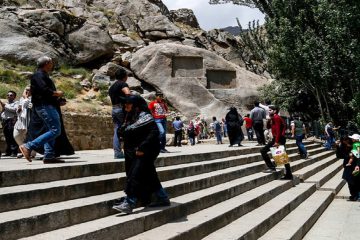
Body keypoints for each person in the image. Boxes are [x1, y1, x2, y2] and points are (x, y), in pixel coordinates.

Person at [112, 95, 170, 214]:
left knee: (135, 174)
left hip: (146, 150)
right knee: (149, 174)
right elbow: (124, 131)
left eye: (128, 103)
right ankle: (162, 197)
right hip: (134, 151)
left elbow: (154, 133)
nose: (125, 105)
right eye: (125, 104)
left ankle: (130, 202)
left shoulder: (145, 116)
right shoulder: (129, 116)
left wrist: (142, 147)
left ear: (136, 105)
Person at [18, 56, 65, 163]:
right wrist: (56, 93)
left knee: (50, 130)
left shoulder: (42, 75)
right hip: (45, 106)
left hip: (46, 105)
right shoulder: (38, 75)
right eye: (51, 62)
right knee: (55, 130)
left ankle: (49, 155)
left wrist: (58, 100)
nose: (52, 64)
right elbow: (43, 90)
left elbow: (42, 92)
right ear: (47, 63)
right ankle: (28, 146)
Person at [261, 105, 293, 180]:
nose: (268, 111)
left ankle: (272, 167)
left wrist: (276, 141)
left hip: (278, 139)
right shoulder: (273, 118)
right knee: (283, 157)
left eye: (270, 110)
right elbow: (268, 127)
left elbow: (278, 130)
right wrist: (268, 121)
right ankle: (288, 174)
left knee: (263, 151)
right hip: (278, 138)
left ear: (275, 111)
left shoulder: (276, 117)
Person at [108, 68, 131, 159]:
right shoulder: (123, 84)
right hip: (122, 109)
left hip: (114, 109)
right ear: (124, 76)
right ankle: (129, 151)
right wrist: (129, 104)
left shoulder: (112, 87)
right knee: (128, 128)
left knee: (117, 130)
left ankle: (117, 153)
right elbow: (128, 93)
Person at [13, 86, 36, 158]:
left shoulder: (34, 99)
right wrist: (18, 108)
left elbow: (32, 107)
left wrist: (26, 99)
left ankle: (31, 153)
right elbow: (18, 108)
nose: (27, 91)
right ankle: (25, 150)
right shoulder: (21, 99)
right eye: (26, 90)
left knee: (29, 138)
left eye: (29, 90)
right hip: (20, 121)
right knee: (16, 135)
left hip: (29, 121)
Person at [336, 135, 360, 201]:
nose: (345, 142)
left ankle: (356, 195)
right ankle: (353, 195)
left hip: (355, 164)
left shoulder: (355, 145)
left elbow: (358, 156)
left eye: (346, 140)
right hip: (348, 166)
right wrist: (337, 147)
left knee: (356, 180)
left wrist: (358, 165)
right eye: (344, 141)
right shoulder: (342, 146)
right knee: (349, 181)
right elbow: (339, 156)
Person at [0, 90, 19, 157]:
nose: (9, 96)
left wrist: (5, 106)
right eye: (8, 95)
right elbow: (3, 112)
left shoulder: (16, 103)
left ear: (14, 97)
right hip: (4, 121)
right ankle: (8, 151)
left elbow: (14, 110)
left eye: (11, 95)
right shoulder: (6, 103)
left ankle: (14, 152)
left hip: (11, 121)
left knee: (12, 137)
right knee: (7, 137)